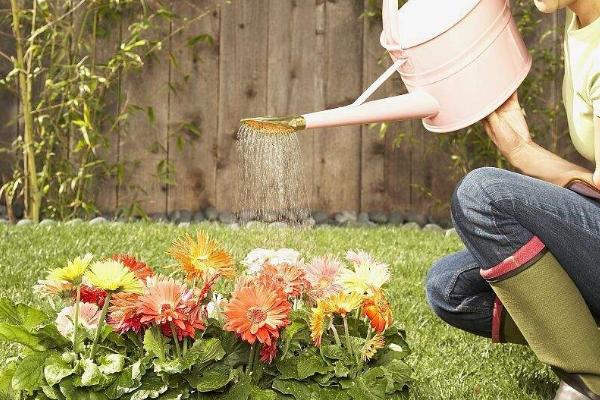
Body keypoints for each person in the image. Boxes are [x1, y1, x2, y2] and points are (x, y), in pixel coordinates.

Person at [425, 0, 600, 399]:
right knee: (449, 288)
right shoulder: (582, 25)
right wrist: (520, 150)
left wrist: (523, 153)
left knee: (482, 194)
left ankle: (590, 381)